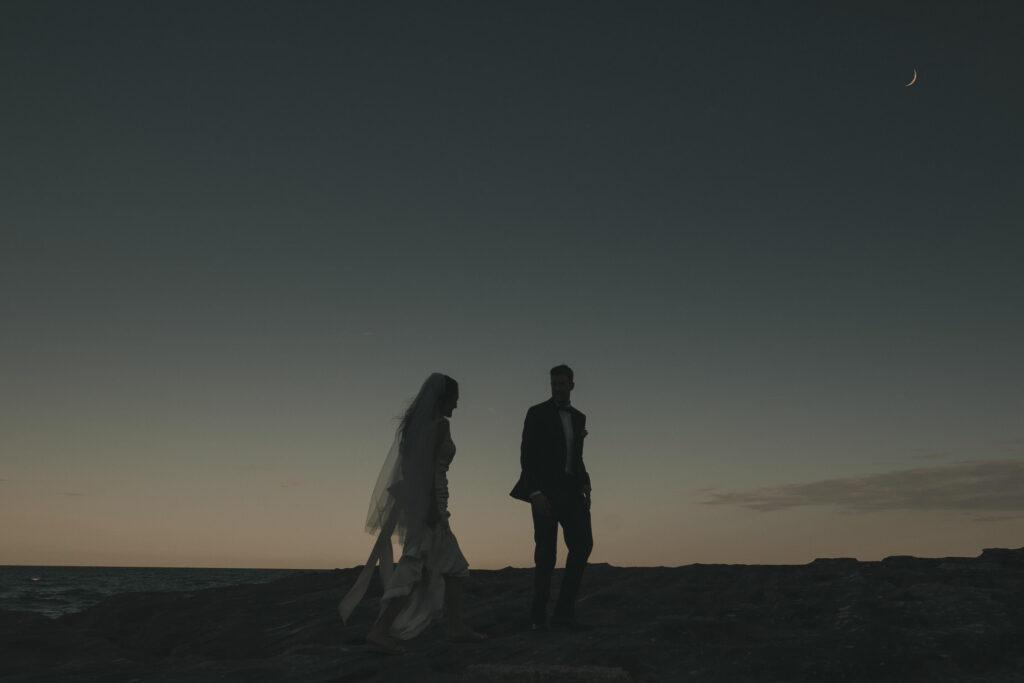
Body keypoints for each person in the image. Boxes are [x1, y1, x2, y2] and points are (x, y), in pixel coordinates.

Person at [339, 373, 485, 654]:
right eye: (455, 398)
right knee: (414, 563)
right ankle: (379, 630)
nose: (457, 405)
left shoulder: (416, 429)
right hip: (432, 503)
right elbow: (427, 470)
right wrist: (431, 509)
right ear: (444, 398)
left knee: (453, 566)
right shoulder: (440, 426)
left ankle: (455, 627)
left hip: (427, 501)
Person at [510, 364, 593, 630]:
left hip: (571, 492)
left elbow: (576, 457)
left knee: (583, 545)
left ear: (571, 385)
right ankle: (538, 617)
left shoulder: (579, 417)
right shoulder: (536, 413)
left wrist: (585, 484)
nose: (557, 388)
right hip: (544, 494)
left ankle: (564, 613)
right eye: (553, 384)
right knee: (545, 555)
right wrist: (535, 493)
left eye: (562, 384)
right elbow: (527, 456)